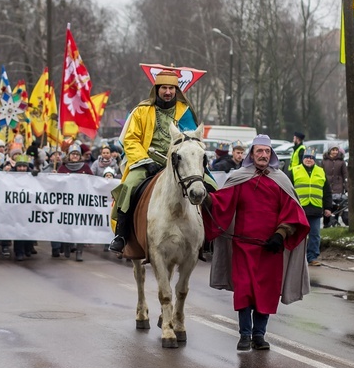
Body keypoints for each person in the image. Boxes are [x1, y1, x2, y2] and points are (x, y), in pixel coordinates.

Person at [203, 134, 309, 351]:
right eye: (259, 151)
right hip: (243, 246)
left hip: (271, 249)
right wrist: (205, 197)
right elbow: (222, 203)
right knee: (245, 290)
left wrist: (280, 234)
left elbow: (292, 213)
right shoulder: (239, 177)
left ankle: (259, 335)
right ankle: (244, 334)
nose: (263, 155)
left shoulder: (281, 180)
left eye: (267, 152)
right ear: (251, 154)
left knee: (266, 292)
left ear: (272, 155)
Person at [109, 70, 202, 254]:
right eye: (164, 88)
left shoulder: (185, 112)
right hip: (147, 161)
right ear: (156, 89)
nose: (168, 92)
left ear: (176, 90)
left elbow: (193, 139)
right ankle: (122, 234)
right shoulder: (142, 111)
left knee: (208, 186)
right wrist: (144, 160)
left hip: (180, 162)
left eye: (171, 88)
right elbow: (131, 139)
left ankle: (207, 239)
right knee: (128, 186)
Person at [292, 147, 331, 266]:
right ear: (303, 159)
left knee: (315, 234)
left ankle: (312, 257)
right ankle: (296, 257)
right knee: (298, 234)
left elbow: (327, 191)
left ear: (315, 160)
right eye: (307, 157)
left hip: (315, 208)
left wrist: (328, 207)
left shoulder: (320, 171)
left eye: (311, 158)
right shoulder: (294, 170)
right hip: (299, 208)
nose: (309, 160)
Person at [57, 143, 93, 261]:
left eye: (77, 154)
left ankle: (79, 251)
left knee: (80, 227)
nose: (75, 156)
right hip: (66, 203)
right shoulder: (62, 167)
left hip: (81, 203)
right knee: (67, 226)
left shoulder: (85, 167)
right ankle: (67, 246)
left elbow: (93, 182)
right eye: (73, 154)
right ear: (69, 155)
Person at [12, 154, 37, 262]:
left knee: (29, 228)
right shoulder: (10, 176)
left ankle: (28, 248)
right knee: (19, 230)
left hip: (30, 207)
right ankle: (19, 252)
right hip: (16, 208)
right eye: (19, 166)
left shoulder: (33, 175)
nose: (22, 169)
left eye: (24, 166)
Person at [322, 145, 348, 228]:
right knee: (328, 206)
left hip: (338, 188)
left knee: (336, 207)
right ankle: (326, 224)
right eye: (333, 150)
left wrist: (346, 187)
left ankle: (334, 224)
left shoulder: (341, 162)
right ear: (329, 151)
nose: (335, 152)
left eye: (336, 150)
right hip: (327, 187)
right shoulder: (324, 161)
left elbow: (345, 175)